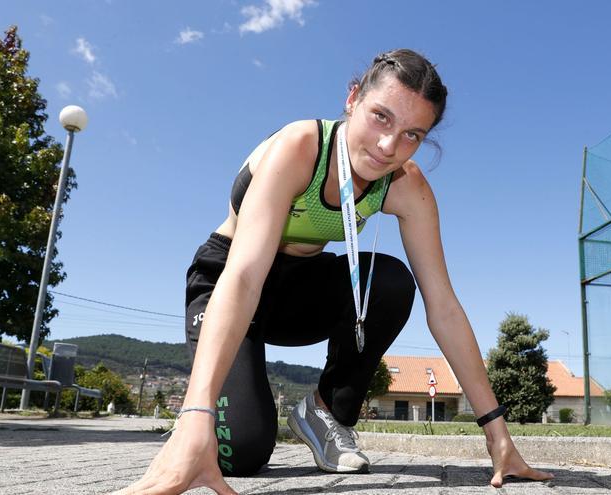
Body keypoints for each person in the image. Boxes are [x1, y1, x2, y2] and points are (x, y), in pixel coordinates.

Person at [116, 49, 554, 495]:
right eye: (381, 117)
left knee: (390, 282)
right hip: (228, 278)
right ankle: (190, 422)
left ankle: (324, 412)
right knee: (241, 454)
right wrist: (197, 417)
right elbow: (245, 275)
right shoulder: (300, 146)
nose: (389, 147)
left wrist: (498, 435)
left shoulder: (406, 184)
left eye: (412, 134)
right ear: (352, 98)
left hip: (299, 289)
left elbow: (444, 307)